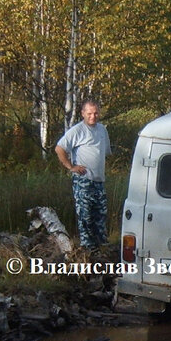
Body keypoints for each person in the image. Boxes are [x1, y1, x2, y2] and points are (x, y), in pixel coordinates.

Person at [55, 99, 112, 250]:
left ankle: (102, 246)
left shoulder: (102, 130)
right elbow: (59, 148)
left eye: (95, 113)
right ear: (83, 114)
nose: (93, 116)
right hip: (83, 180)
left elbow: (104, 153)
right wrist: (71, 166)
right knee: (85, 215)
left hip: (99, 181)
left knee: (100, 214)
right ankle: (88, 248)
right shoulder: (77, 130)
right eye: (89, 114)